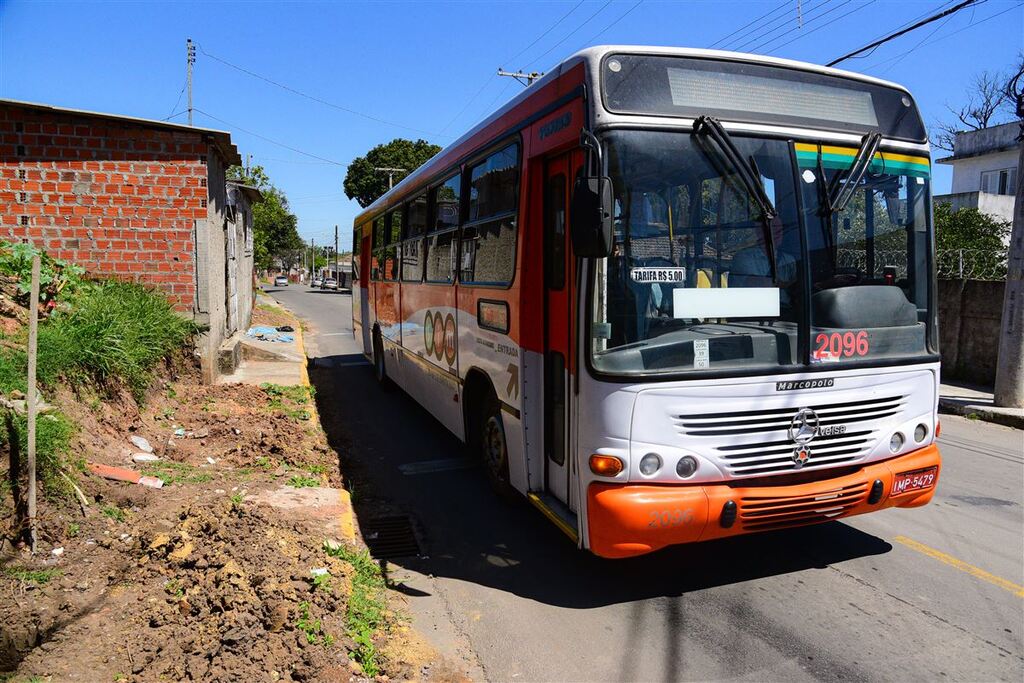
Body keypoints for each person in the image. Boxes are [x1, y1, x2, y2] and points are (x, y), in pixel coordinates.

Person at [730, 216, 797, 306]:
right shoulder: (744, 258)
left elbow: (797, 288)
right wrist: (785, 284)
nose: (779, 233)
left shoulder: (789, 260)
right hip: (757, 309)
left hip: (787, 311)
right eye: (773, 228)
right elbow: (758, 284)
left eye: (781, 229)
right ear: (759, 232)